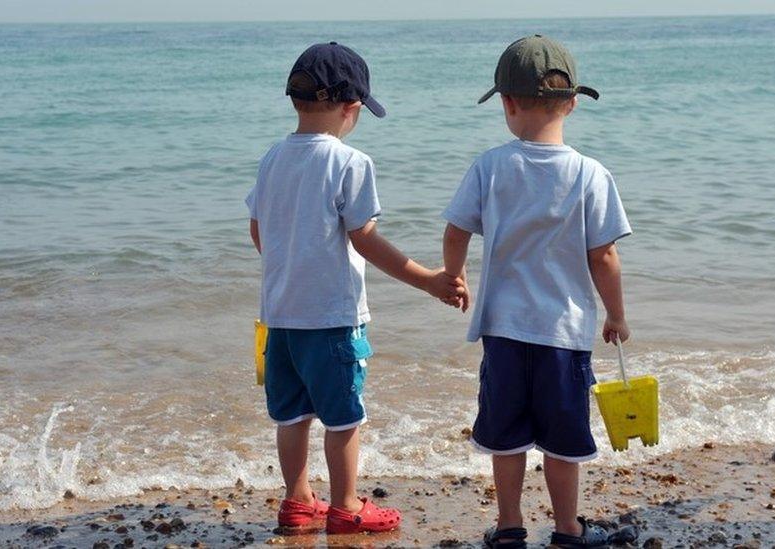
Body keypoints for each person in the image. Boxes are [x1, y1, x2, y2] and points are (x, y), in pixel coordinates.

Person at [246, 42, 466, 535]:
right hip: (332, 318)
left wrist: (292, 266)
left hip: (279, 317)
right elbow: (364, 239)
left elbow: (259, 232)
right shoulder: (350, 162)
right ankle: (346, 505)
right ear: (351, 107)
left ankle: (298, 501)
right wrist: (429, 280)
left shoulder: (272, 158)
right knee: (344, 417)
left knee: (292, 416)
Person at [441, 35, 632, 548]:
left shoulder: (490, 166)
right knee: (562, 441)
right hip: (564, 335)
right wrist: (616, 314)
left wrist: (452, 276)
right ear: (572, 102)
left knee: (506, 438)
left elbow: (457, 229)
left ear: (506, 103)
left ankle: (508, 528)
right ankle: (568, 530)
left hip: (503, 330)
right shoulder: (591, 174)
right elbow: (604, 256)